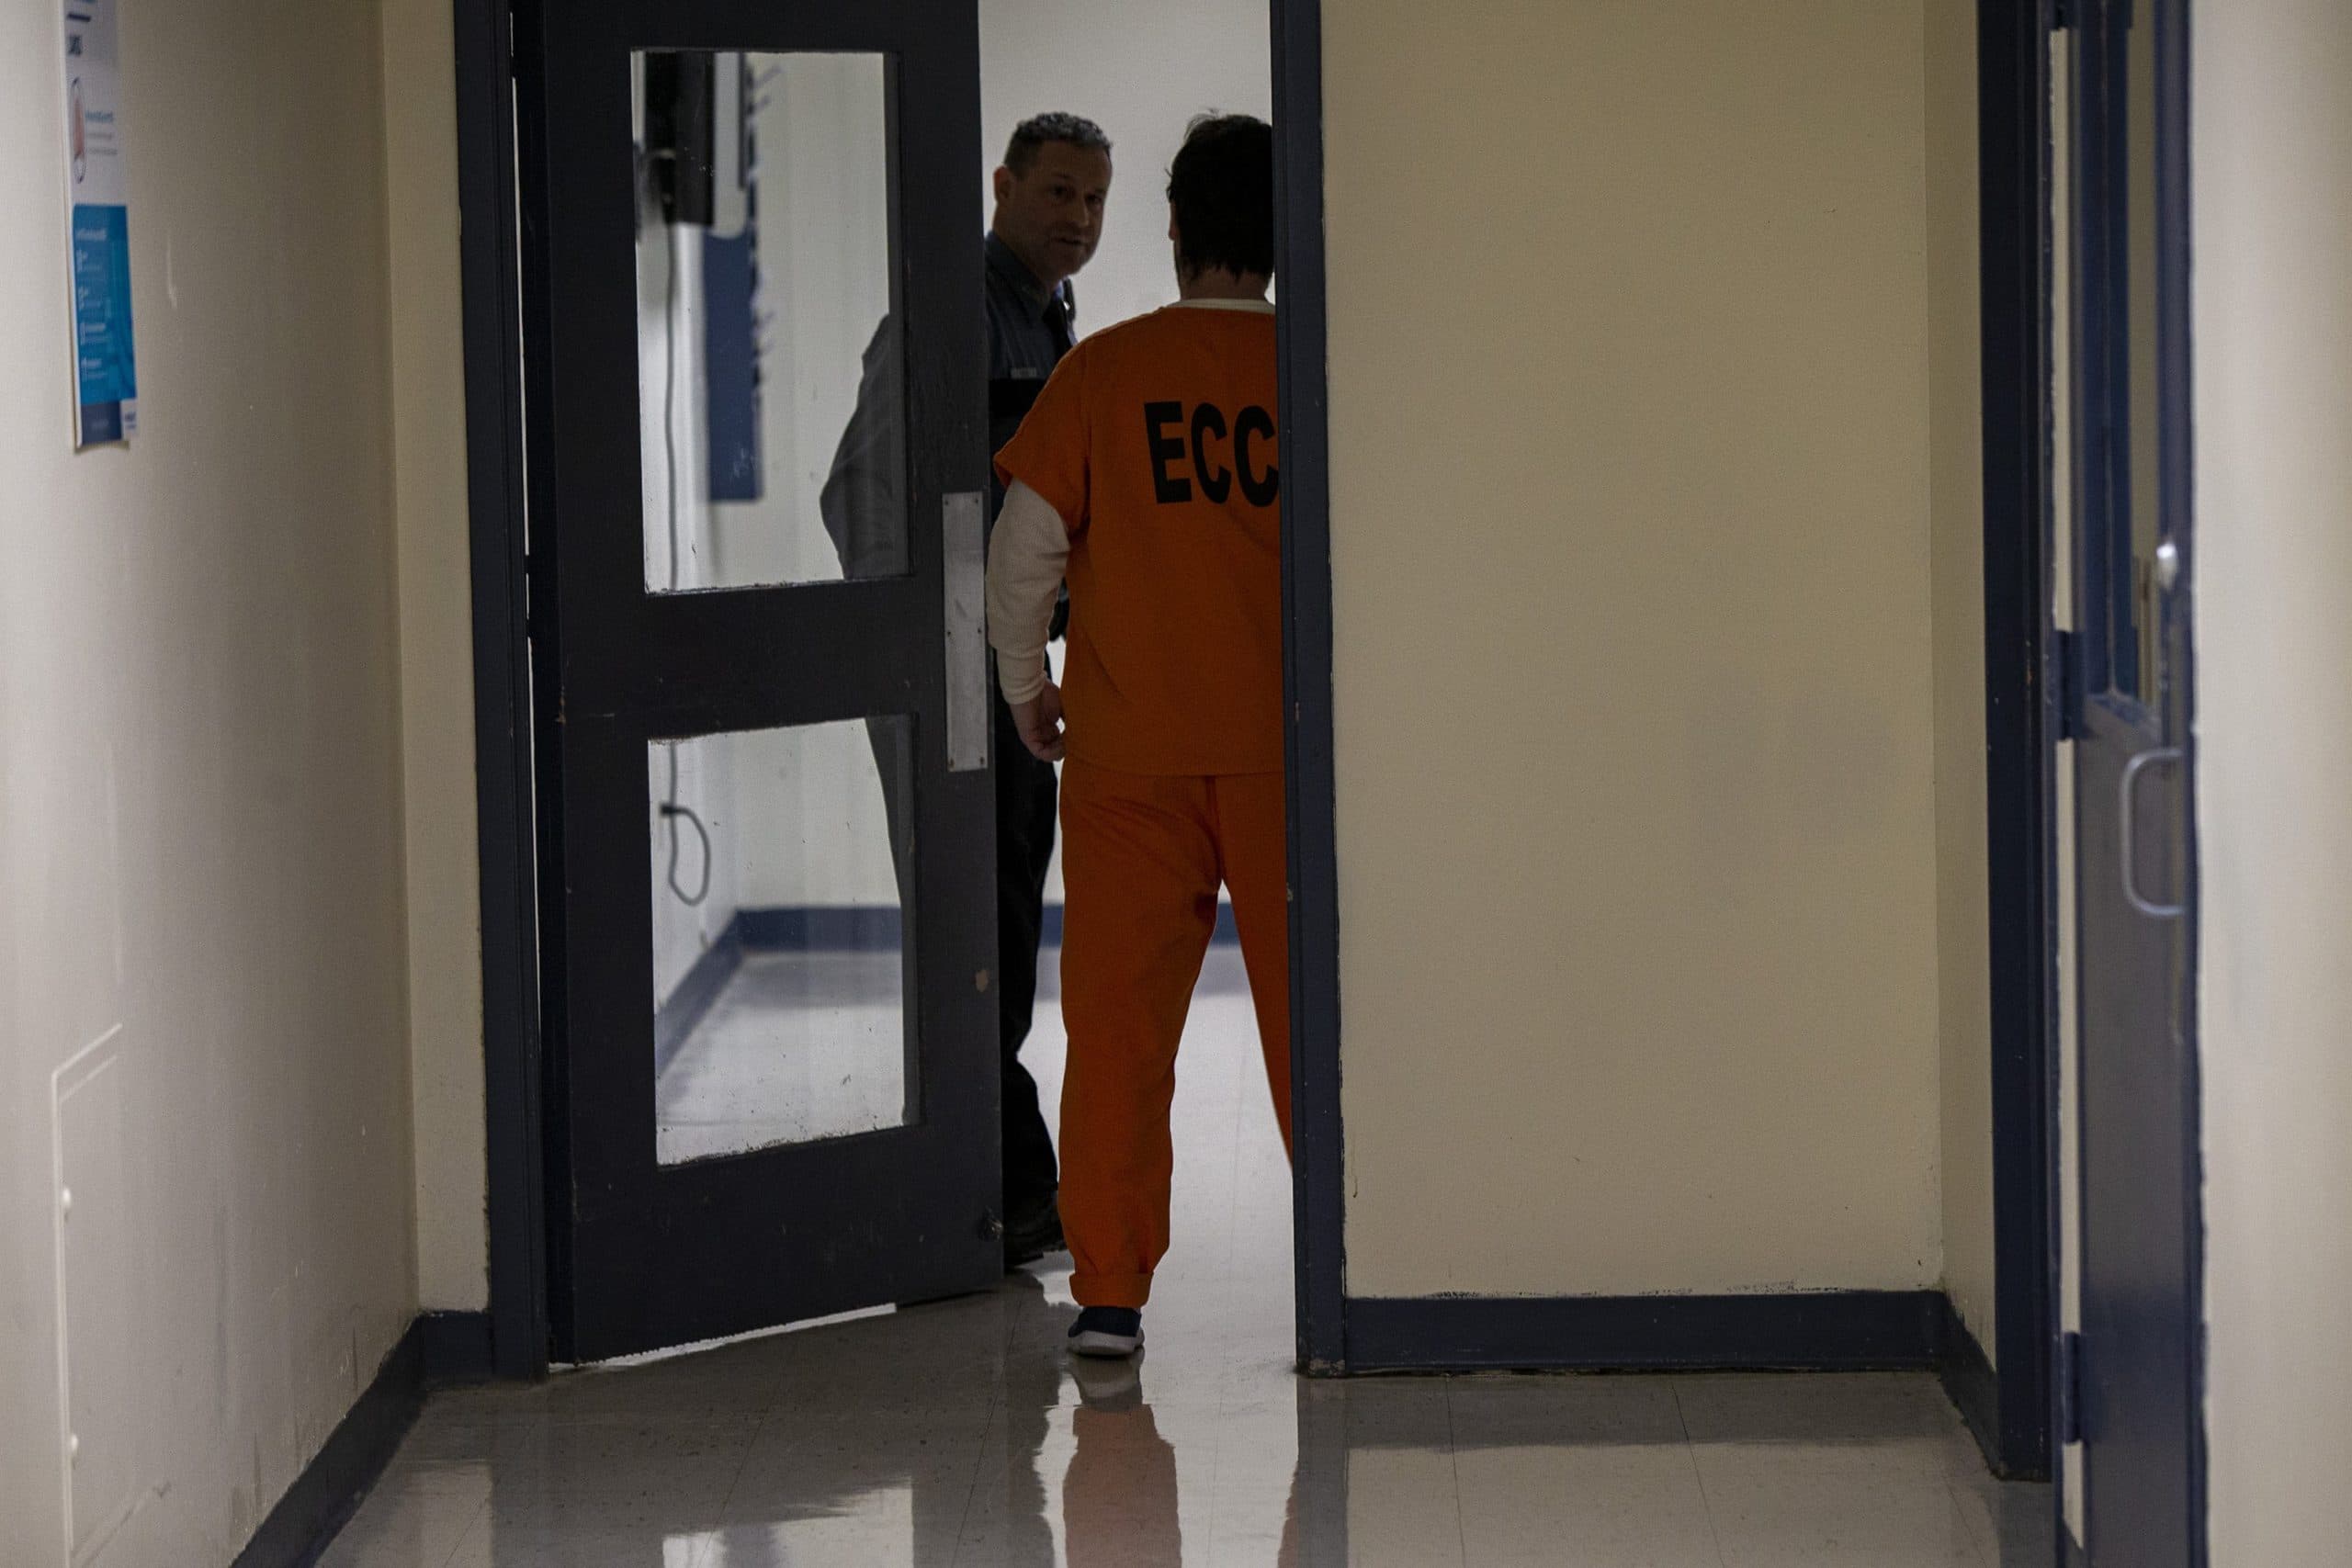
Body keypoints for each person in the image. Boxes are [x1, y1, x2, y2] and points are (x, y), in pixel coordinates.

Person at [987, 114, 1286, 1357]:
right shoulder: (1317, 372)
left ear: (1171, 229)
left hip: (1127, 763)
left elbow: (1022, 553)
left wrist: (1024, 690)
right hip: (1287, 758)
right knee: (1317, 1025)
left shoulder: (1102, 372)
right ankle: (1354, 1269)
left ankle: (1110, 1290)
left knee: (1115, 1028)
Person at [821, 113, 1114, 1268]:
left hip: (1001, 680)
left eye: (1093, 200)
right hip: (949, 683)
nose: (1075, 219)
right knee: (965, 934)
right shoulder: (949, 315)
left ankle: (995, 1191)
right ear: (1001, 185)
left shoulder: (1044, 320)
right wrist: (946, 641)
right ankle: (975, 1194)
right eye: (1055, 192)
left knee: (990, 931)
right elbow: (866, 499)